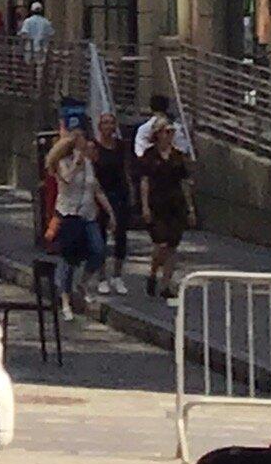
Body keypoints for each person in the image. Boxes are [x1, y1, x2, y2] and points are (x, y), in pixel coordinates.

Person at [45, 125, 113, 319]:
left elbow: (96, 188)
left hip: (88, 214)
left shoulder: (89, 164)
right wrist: (76, 163)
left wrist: (110, 212)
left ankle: (83, 282)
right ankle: (65, 300)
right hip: (68, 215)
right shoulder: (63, 162)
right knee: (69, 258)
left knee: (98, 250)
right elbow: (65, 180)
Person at [138, 118, 195, 301]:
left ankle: (166, 284)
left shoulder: (178, 156)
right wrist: (145, 205)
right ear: (158, 134)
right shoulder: (149, 155)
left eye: (172, 132)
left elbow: (184, 182)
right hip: (157, 204)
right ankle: (153, 272)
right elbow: (144, 181)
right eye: (166, 132)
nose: (170, 135)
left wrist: (190, 207)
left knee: (172, 246)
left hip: (175, 205)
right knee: (160, 243)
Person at [92, 111, 133, 294]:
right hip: (101, 194)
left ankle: (117, 276)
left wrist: (130, 191)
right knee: (100, 238)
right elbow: (91, 173)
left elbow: (125, 169)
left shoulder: (120, 147)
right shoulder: (94, 147)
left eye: (111, 123)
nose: (108, 127)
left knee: (121, 236)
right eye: (105, 123)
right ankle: (101, 277)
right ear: (100, 127)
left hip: (119, 192)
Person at [133, 93, 190, 159]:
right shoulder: (177, 128)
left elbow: (139, 151)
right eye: (160, 131)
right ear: (155, 134)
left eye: (168, 132)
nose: (165, 135)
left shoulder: (143, 129)